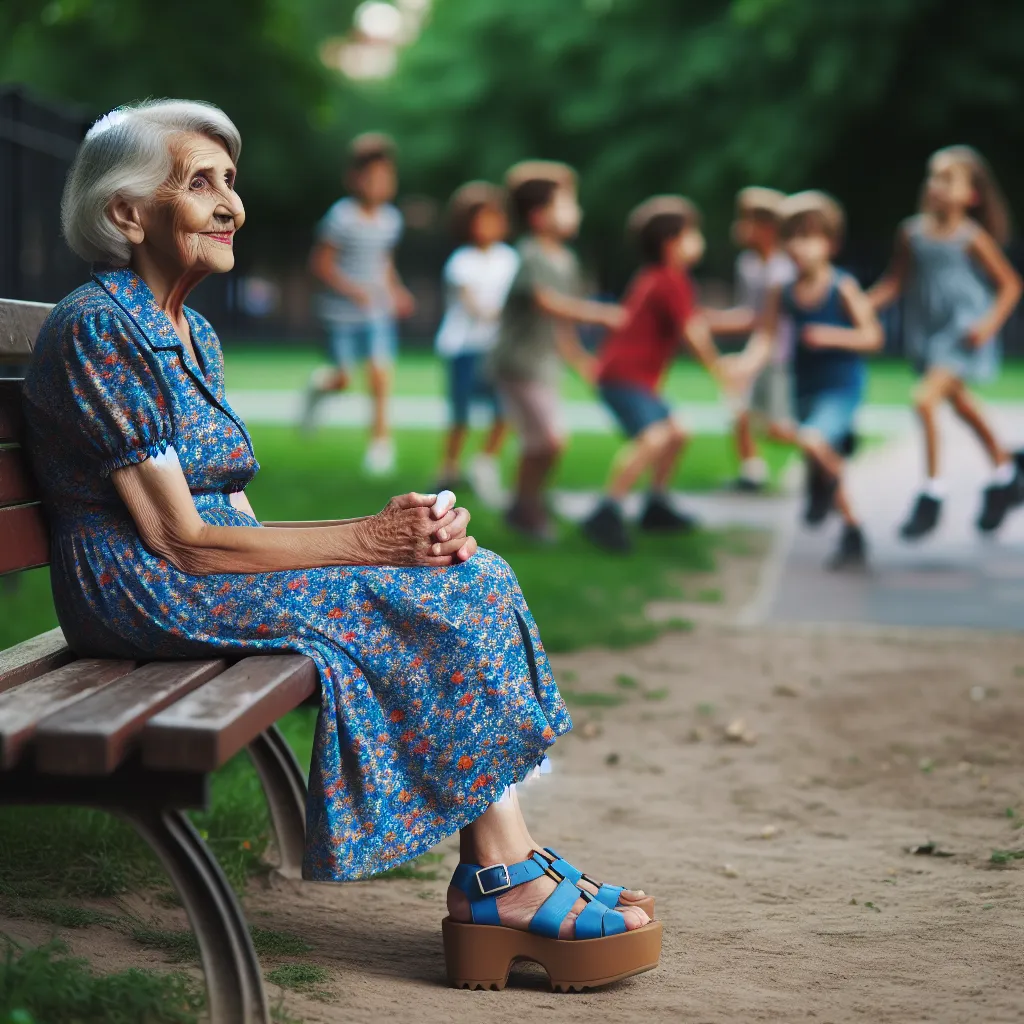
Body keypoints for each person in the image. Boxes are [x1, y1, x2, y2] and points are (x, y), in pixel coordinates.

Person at [22, 100, 660, 991]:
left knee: (464, 571)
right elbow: (180, 539)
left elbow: (232, 517)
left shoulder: (188, 330)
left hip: (193, 567)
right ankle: (502, 884)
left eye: (230, 184)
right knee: (434, 589)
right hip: (140, 584)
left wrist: (401, 542)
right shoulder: (102, 326)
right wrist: (367, 540)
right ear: (125, 213)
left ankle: (503, 867)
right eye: (199, 183)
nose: (230, 205)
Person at [868, 146, 1024, 539]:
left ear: (971, 195)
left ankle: (932, 494)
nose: (936, 186)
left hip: (963, 330)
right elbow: (894, 283)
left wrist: (988, 326)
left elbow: (1010, 285)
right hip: (929, 331)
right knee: (961, 405)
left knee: (924, 399)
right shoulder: (911, 233)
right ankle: (1007, 471)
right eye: (933, 177)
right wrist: (859, 304)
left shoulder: (971, 238)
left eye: (948, 179)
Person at [734, 191, 883, 570]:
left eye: (809, 236)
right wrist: (746, 365)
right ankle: (834, 500)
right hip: (805, 389)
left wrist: (834, 336)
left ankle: (840, 511)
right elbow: (765, 338)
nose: (798, 247)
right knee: (792, 436)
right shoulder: (780, 291)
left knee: (815, 441)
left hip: (841, 388)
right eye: (791, 238)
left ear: (830, 243)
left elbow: (873, 337)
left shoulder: (842, 287)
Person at [582, 196, 730, 552]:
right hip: (623, 376)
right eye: (693, 233)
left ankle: (656, 505)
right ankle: (606, 511)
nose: (699, 241)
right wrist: (719, 369)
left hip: (633, 379)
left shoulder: (662, 278)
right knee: (655, 438)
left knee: (678, 432)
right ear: (671, 242)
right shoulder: (668, 279)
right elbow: (692, 333)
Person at [490, 161, 625, 541]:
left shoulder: (566, 260)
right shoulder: (532, 253)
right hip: (517, 363)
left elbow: (561, 325)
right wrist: (600, 313)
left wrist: (580, 359)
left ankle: (525, 503)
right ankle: (525, 504)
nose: (575, 212)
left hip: (543, 364)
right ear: (538, 216)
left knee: (541, 443)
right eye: (566, 204)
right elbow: (547, 303)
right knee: (550, 440)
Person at [302, 133, 415, 476]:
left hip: (376, 312)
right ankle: (318, 389)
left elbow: (384, 262)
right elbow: (320, 264)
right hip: (341, 314)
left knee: (381, 375)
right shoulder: (341, 217)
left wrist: (397, 290)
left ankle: (380, 445)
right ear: (354, 179)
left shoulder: (391, 220)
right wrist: (353, 290)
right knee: (343, 379)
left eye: (386, 177)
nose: (380, 184)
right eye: (372, 177)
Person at [705, 187, 796, 492]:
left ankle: (823, 446)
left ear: (767, 227)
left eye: (746, 220)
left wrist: (713, 321)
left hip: (779, 354)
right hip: (756, 349)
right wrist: (713, 319)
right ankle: (751, 472)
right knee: (739, 410)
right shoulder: (748, 264)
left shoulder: (784, 269)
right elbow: (749, 313)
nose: (739, 227)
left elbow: (763, 320)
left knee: (773, 427)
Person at [434, 182, 518, 506]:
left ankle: (486, 460)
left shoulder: (509, 259)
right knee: (460, 413)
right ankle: (449, 466)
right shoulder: (462, 261)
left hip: (497, 349)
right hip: (464, 347)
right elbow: (472, 303)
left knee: (504, 409)